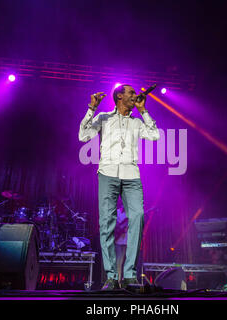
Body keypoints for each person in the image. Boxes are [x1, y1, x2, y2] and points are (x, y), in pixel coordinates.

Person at [79, 84, 160, 290]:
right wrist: (91, 108)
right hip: (107, 174)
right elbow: (83, 135)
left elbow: (155, 135)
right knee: (106, 223)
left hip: (131, 176)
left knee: (138, 217)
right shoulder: (104, 118)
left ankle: (130, 275)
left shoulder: (136, 122)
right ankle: (111, 276)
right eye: (131, 93)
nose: (135, 95)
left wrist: (143, 111)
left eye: (135, 93)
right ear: (119, 97)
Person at [114, 199, 128, 282]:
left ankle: (121, 280)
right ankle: (117, 280)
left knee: (122, 261)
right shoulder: (116, 212)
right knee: (118, 261)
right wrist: (120, 228)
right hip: (118, 239)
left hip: (125, 240)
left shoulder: (129, 214)